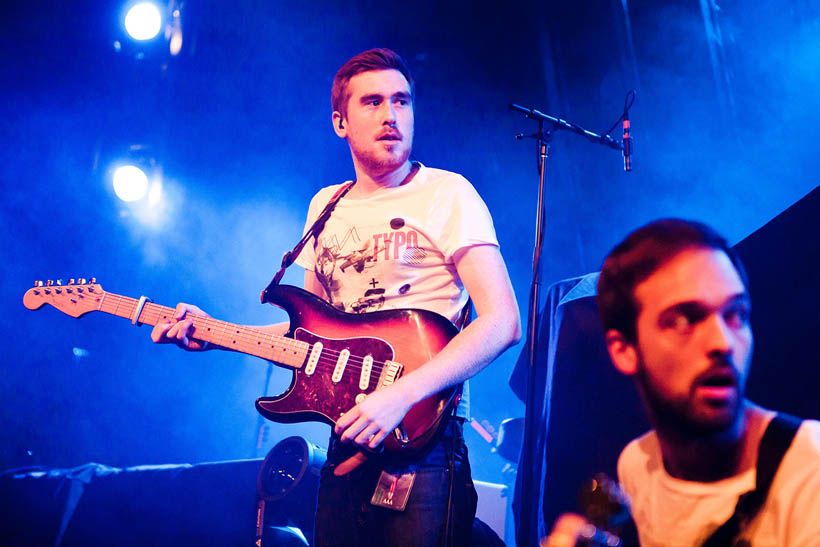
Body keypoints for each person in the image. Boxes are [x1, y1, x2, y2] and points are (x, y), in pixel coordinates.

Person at [151, 48, 521, 546]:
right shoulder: (326, 206)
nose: (391, 115)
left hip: (424, 441)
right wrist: (214, 333)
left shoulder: (448, 193)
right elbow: (307, 334)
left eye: (401, 101)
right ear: (339, 121)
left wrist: (401, 395)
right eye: (372, 102)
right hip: (346, 436)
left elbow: (502, 321)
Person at [545, 219, 820, 547]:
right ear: (624, 350)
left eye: (736, 314)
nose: (723, 342)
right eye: (683, 319)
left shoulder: (810, 468)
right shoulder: (638, 465)